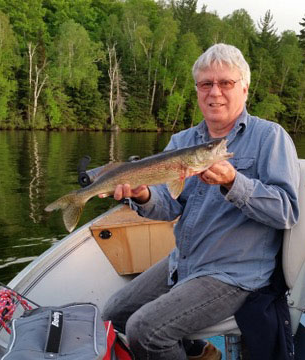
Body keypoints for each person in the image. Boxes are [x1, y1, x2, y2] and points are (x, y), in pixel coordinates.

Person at [100, 43, 300, 359]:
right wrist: (144, 194)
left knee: (145, 331)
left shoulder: (270, 137)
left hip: (234, 274)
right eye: (206, 84)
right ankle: (198, 352)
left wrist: (234, 182)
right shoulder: (182, 142)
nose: (214, 92)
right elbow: (169, 205)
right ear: (197, 91)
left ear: (245, 89)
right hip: (186, 260)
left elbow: (286, 211)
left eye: (225, 83)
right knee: (113, 315)